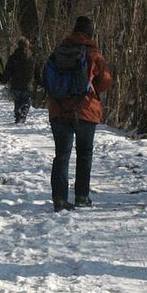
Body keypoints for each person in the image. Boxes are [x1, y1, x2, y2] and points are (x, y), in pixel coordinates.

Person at [47, 16, 113, 212]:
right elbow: (106, 81)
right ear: (91, 33)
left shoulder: (58, 51)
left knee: (62, 155)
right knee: (84, 154)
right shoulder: (94, 54)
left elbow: (44, 76)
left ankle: (59, 198)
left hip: (58, 110)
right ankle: (82, 196)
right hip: (85, 111)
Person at [1, 36, 36, 124]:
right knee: (26, 102)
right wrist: (40, 81)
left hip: (15, 84)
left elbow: (8, 70)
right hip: (27, 84)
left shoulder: (13, 57)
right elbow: (36, 70)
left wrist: (4, 79)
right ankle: (22, 114)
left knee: (17, 101)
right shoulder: (31, 57)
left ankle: (18, 112)